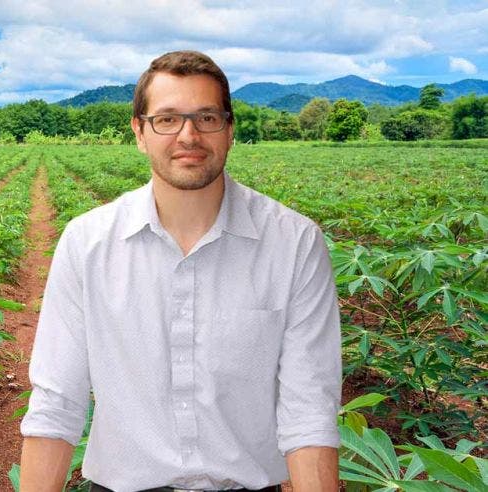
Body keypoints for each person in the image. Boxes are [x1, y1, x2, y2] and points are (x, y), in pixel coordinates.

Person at [18, 51, 341, 492]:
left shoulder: (295, 243)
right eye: (167, 120)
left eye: (206, 117)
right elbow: (57, 404)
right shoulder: (87, 242)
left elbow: (308, 414)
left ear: (229, 130)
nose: (188, 135)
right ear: (139, 131)